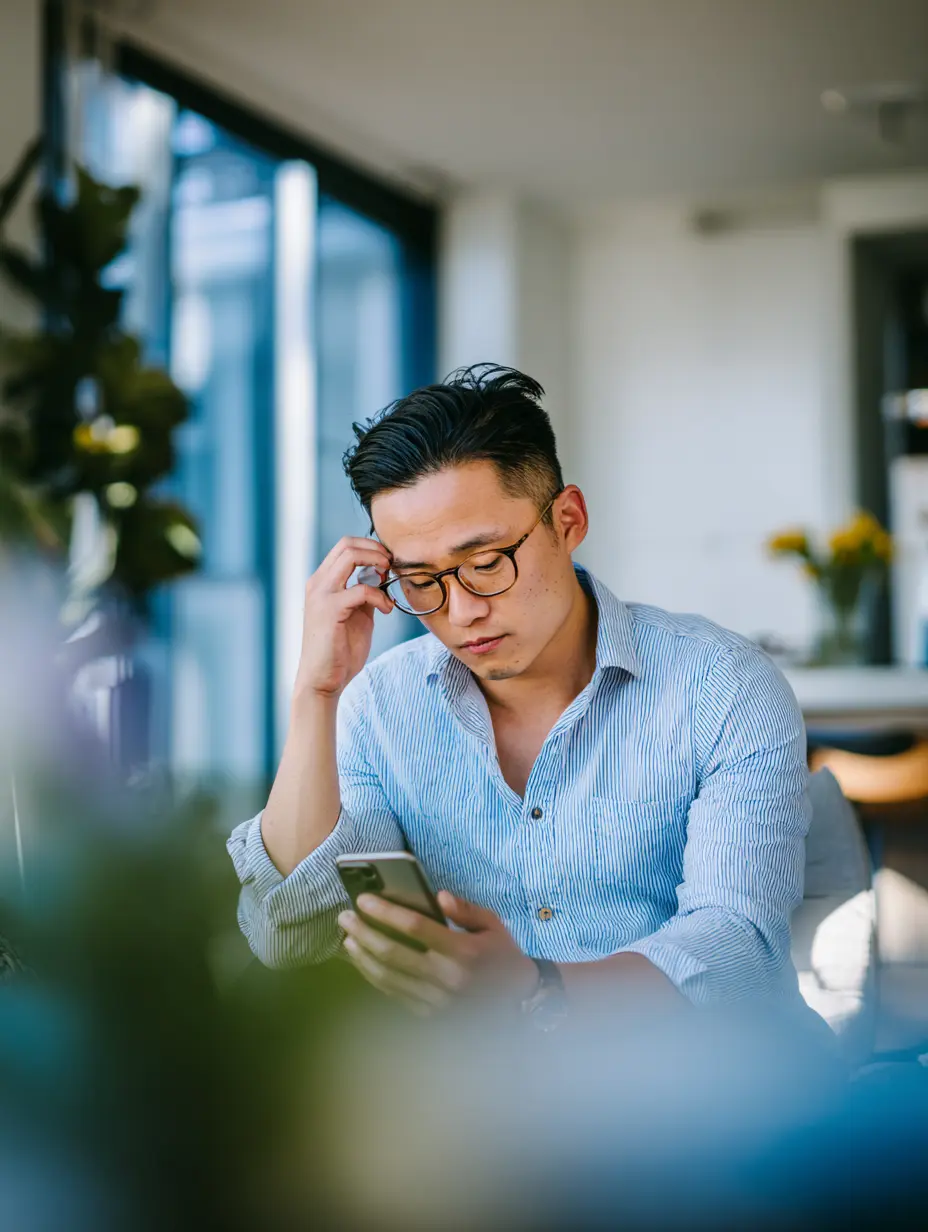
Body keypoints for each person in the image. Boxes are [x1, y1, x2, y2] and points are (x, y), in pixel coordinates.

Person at [228, 364, 821, 1032]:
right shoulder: (378, 708)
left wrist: (540, 985)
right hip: (487, 1115)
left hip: (708, 1103)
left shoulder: (722, 687)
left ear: (568, 520)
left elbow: (739, 951)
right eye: (421, 580)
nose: (461, 611)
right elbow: (288, 939)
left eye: (486, 564)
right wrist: (316, 690)